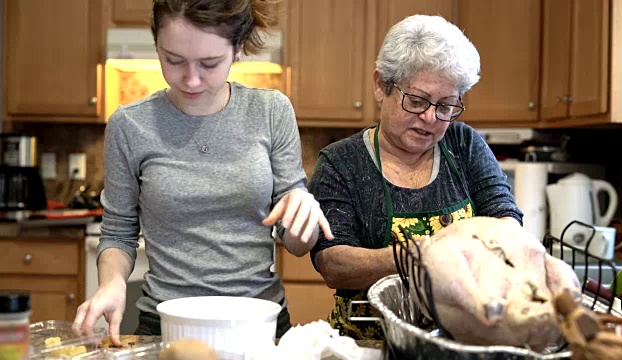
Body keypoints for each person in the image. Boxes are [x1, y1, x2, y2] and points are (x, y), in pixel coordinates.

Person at [73, 0, 333, 346]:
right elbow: (119, 232)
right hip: (166, 323)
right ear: (156, 45)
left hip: (258, 321)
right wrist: (112, 283)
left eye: (209, 63)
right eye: (173, 60)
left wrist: (304, 216)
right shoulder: (130, 125)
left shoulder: (271, 111)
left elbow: (298, 244)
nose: (191, 79)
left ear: (238, 49)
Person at [308, 14, 523, 340]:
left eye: (446, 106)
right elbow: (334, 263)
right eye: (418, 100)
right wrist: (426, 255)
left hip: (460, 342)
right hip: (367, 342)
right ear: (381, 86)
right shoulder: (341, 163)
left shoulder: (463, 145)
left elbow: (507, 225)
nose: (430, 117)